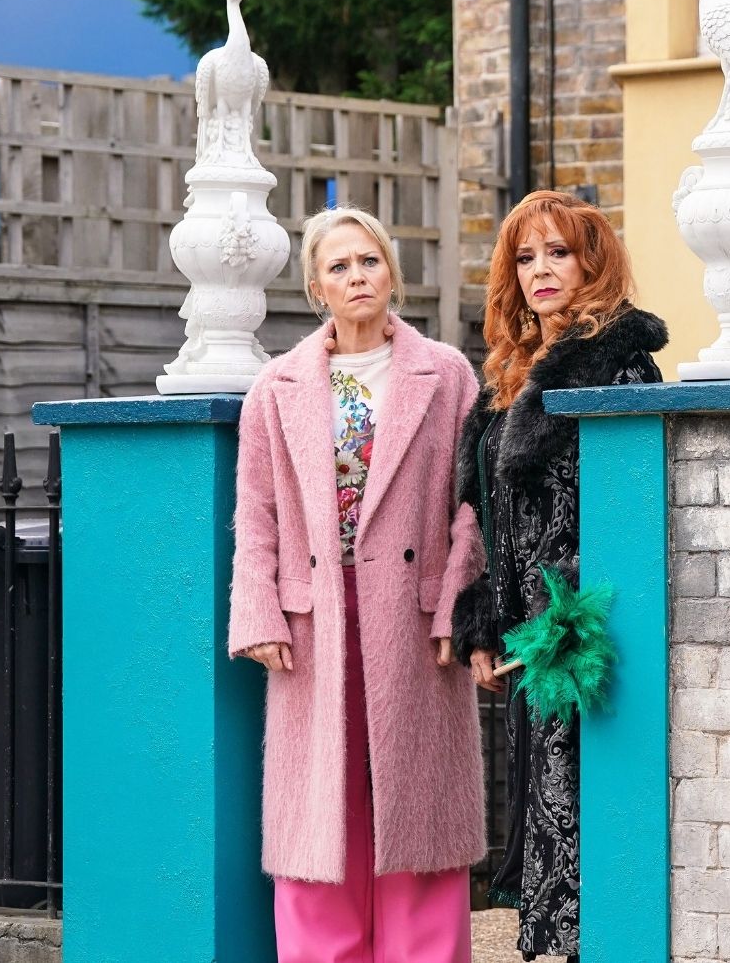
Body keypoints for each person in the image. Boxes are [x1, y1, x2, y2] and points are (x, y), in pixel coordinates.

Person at [228, 205, 487, 962]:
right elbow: (256, 511)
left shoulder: (447, 374)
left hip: (415, 617)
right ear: (317, 287)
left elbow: (473, 502)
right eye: (338, 267)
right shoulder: (276, 387)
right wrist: (259, 613)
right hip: (315, 618)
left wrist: (458, 606)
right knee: (321, 811)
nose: (357, 277)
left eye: (369, 261)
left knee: (416, 805)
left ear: (391, 272)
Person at [451, 190, 667, 962]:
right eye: (525, 256)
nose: (540, 269)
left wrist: (560, 615)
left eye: (559, 252)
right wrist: (483, 622)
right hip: (528, 641)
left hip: (588, 632)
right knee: (545, 810)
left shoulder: (619, 365)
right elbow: (488, 516)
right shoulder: (510, 373)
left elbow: (630, 508)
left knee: (589, 810)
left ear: (591, 262)